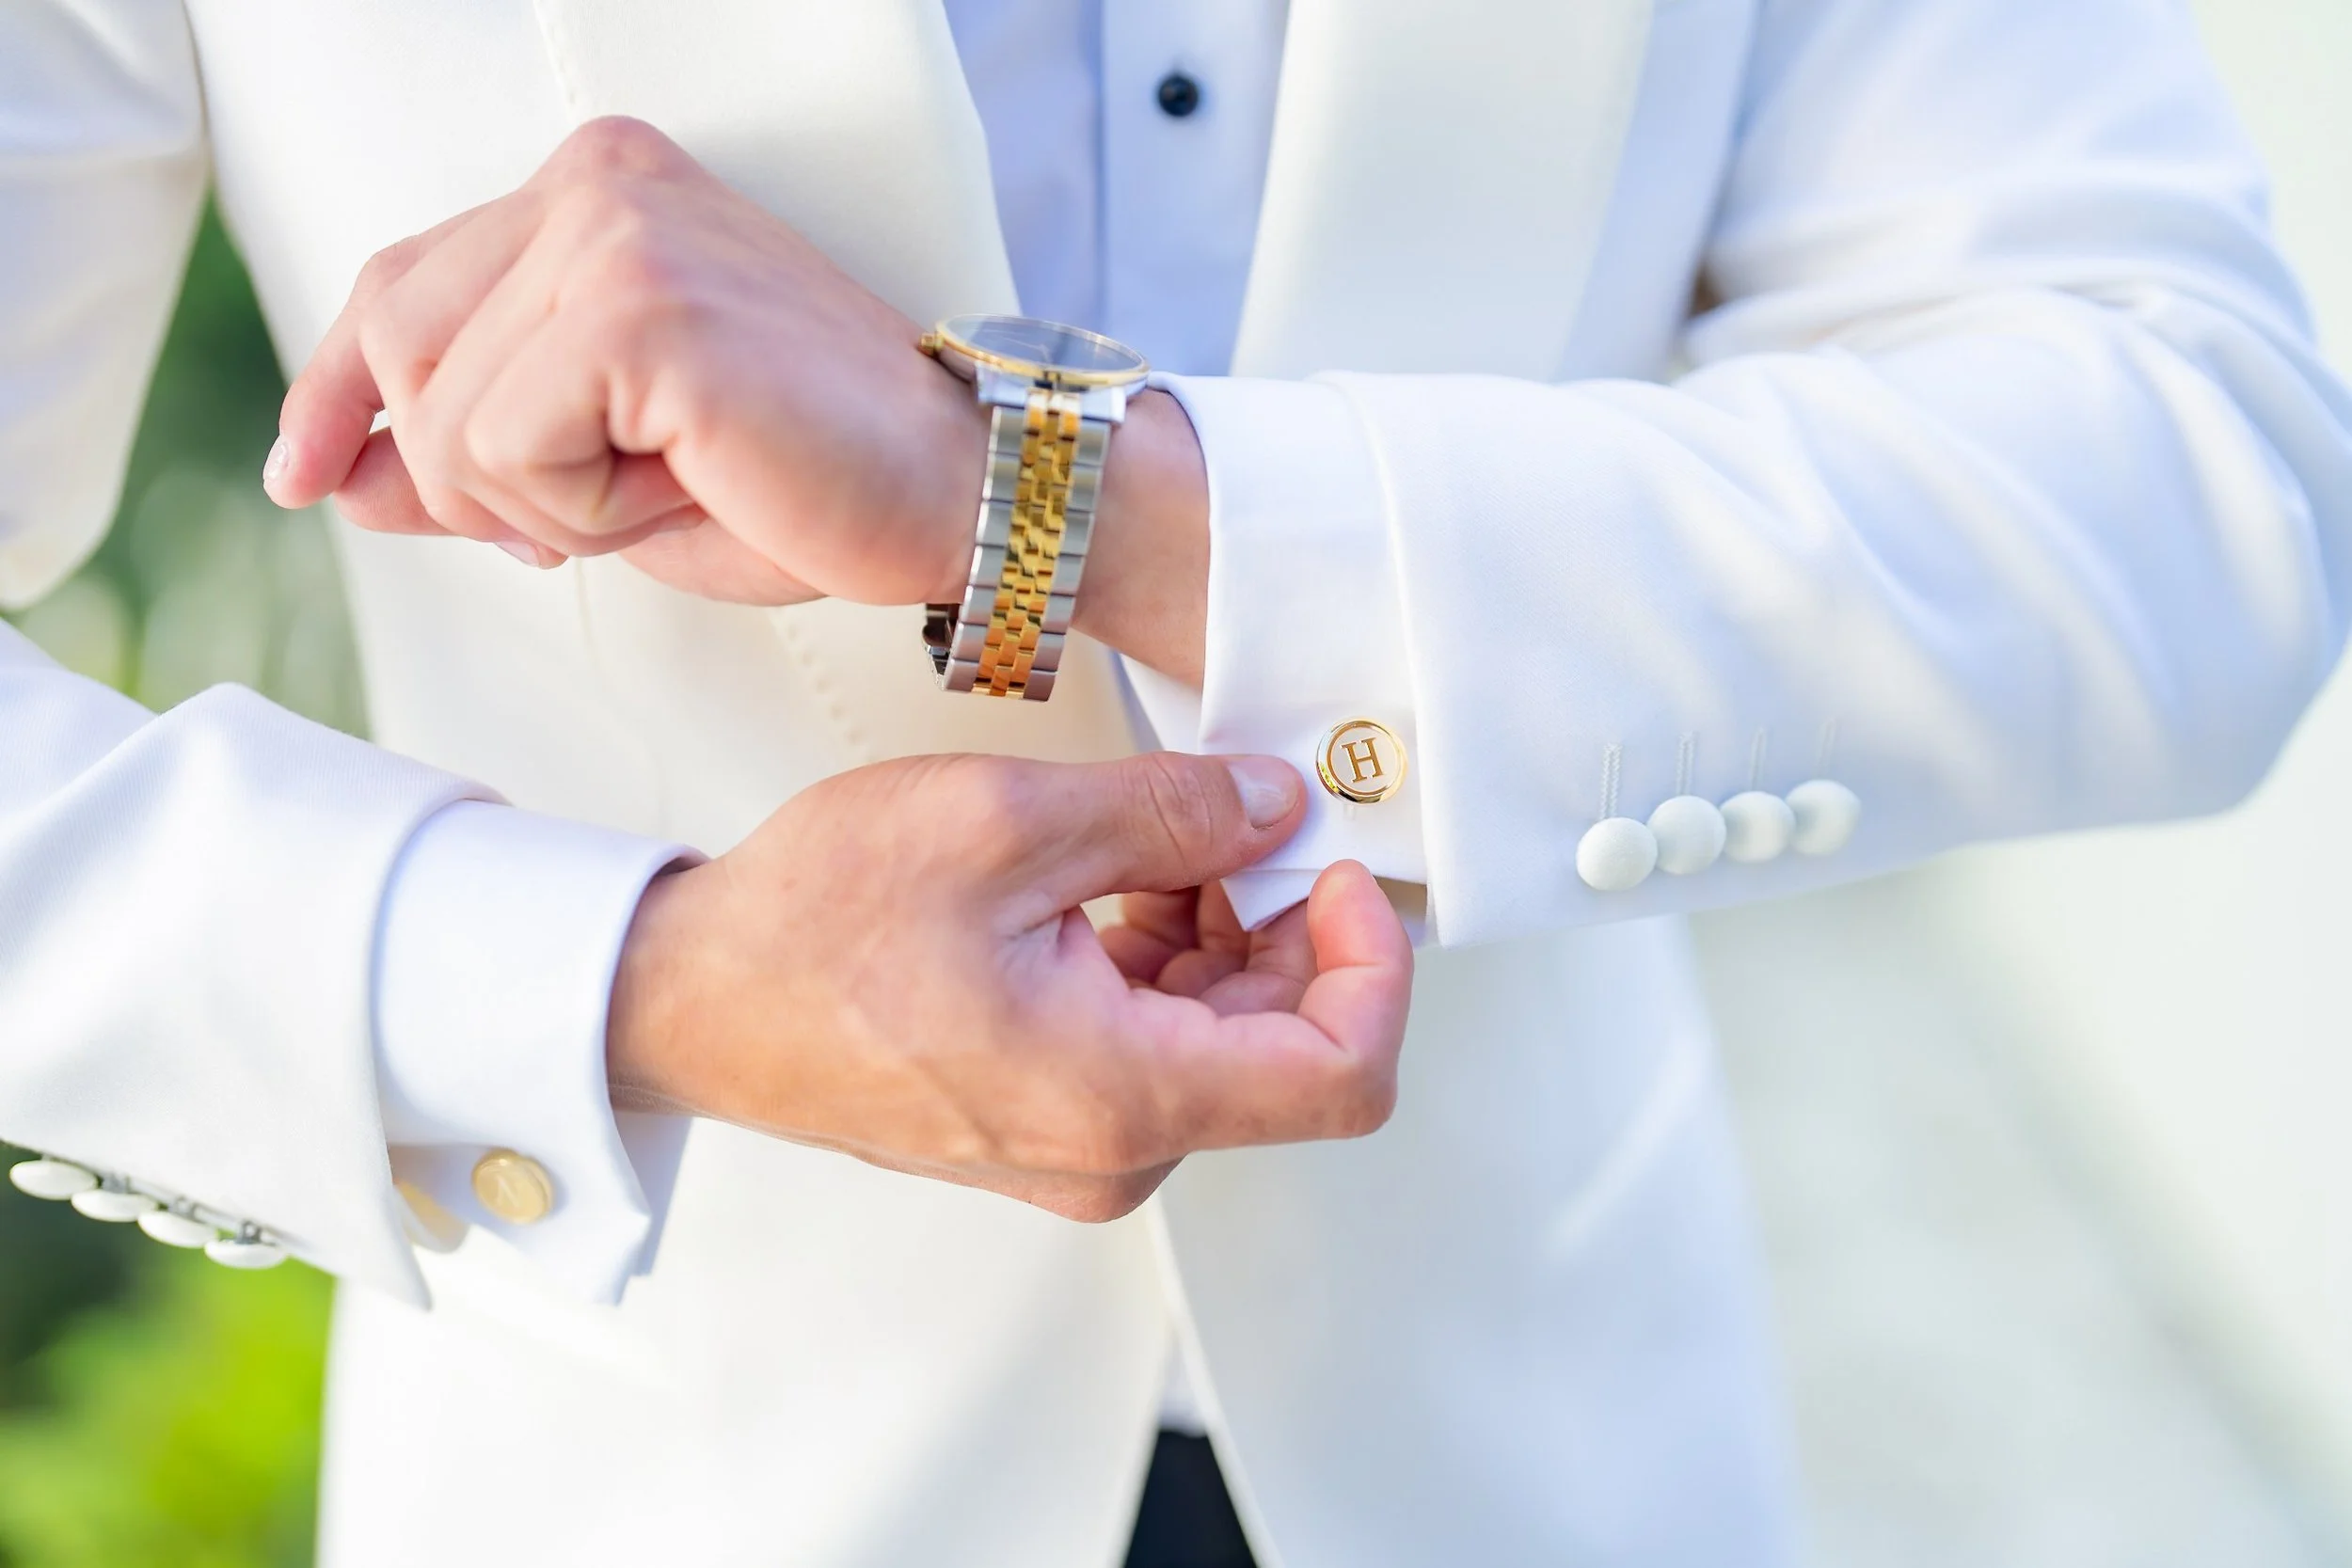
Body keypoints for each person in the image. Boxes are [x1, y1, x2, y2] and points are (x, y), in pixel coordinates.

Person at [6, 1, 2350, 1563]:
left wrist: (1057, 494)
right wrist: (629, 986)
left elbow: (2188, 471)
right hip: (668, 1463)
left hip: (1549, 1444)